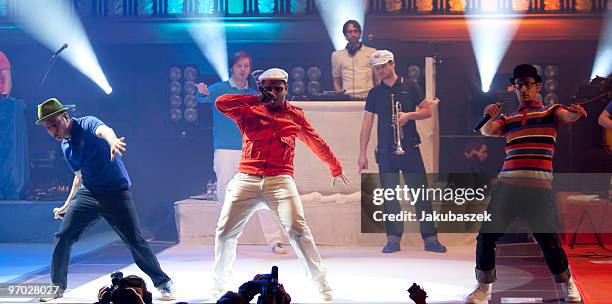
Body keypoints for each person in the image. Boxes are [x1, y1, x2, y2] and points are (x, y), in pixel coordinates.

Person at [211, 68, 351, 302]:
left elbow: (316, 141)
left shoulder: (294, 115)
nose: (273, 92)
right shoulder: (248, 110)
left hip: (280, 181)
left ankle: (321, 284)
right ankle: (219, 286)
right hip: (246, 178)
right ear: (261, 88)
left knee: (299, 232)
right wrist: (256, 98)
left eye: (278, 88)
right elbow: (220, 102)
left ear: (286, 88)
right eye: (268, 88)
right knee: (225, 234)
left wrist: (335, 167)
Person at [465, 64, 586, 303]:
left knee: (548, 240)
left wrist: (576, 113)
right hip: (507, 187)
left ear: (538, 86)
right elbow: (488, 131)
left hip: (538, 190)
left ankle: (567, 283)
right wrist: (489, 115)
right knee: (486, 236)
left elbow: (567, 116)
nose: (523, 90)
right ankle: (483, 288)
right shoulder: (508, 118)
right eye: (519, 86)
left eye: (527, 85)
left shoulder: (551, 111)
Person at [36, 98, 175, 302]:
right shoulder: (65, 147)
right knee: (63, 236)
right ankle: (57, 286)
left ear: (65, 116)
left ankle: (164, 284)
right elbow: (78, 176)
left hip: (116, 192)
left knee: (134, 240)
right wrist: (66, 205)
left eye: (55, 124)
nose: (53, 131)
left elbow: (104, 130)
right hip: (90, 193)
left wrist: (113, 141)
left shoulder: (86, 123)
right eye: (48, 128)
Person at [196, 51, 288, 255]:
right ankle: (225, 240)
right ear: (232, 68)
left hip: (250, 149)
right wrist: (202, 93)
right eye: (240, 66)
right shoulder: (219, 89)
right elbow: (201, 98)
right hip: (225, 150)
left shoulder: (254, 94)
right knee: (225, 195)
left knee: (263, 192)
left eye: (246, 66)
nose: (243, 70)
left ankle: (275, 240)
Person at [358, 50, 447, 254]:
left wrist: (409, 116)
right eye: (376, 68)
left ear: (392, 64)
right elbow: (367, 124)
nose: (379, 71)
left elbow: (427, 111)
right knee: (390, 197)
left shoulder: (410, 85)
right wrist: (362, 153)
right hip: (386, 153)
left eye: (382, 66)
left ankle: (431, 239)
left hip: (410, 150)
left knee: (420, 195)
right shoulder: (374, 93)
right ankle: (393, 239)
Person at [331, 20, 377, 99]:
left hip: (368, 97)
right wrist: (340, 97)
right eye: (350, 32)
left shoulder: (372, 52)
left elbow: (377, 77)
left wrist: (376, 97)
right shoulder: (337, 55)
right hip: (347, 97)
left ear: (360, 34)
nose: (353, 34)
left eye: (356, 31)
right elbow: (336, 79)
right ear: (345, 35)